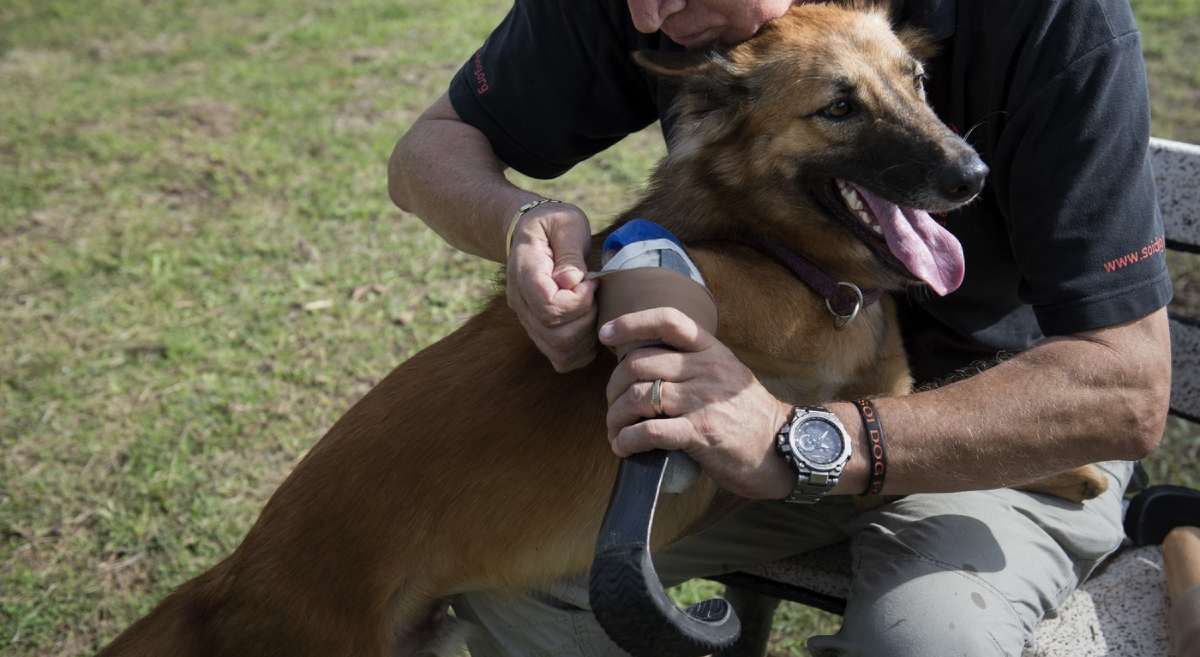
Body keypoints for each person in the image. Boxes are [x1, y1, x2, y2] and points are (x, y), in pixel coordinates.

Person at [389, 0, 1174, 654]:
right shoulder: (659, 6)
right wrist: (519, 217)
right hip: (745, 413)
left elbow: (1127, 390)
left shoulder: (1053, 19)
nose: (647, 15)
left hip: (1005, 436)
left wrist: (801, 440)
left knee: (922, 641)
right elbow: (429, 147)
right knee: (526, 591)